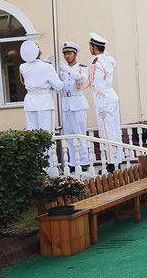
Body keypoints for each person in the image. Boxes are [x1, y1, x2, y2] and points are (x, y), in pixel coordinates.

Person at [19, 41, 63, 173]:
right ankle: (48, 170)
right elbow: (59, 86)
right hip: (44, 102)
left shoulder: (22, 67)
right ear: (38, 52)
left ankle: (36, 169)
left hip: (30, 102)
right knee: (46, 137)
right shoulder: (47, 67)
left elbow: (32, 70)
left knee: (33, 137)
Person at [88, 32, 123, 169]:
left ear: (94, 47)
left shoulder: (96, 62)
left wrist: (101, 106)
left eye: (90, 46)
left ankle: (111, 163)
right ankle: (118, 159)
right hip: (112, 97)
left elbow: (98, 84)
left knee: (107, 131)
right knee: (115, 129)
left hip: (104, 100)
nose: (89, 49)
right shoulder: (107, 59)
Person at [58, 41, 90, 172]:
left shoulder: (82, 68)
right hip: (65, 103)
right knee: (69, 135)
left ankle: (84, 161)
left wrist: (68, 70)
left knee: (80, 134)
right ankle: (72, 162)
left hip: (78, 103)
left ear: (75, 54)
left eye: (69, 53)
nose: (67, 56)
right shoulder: (62, 70)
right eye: (65, 54)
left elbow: (83, 80)